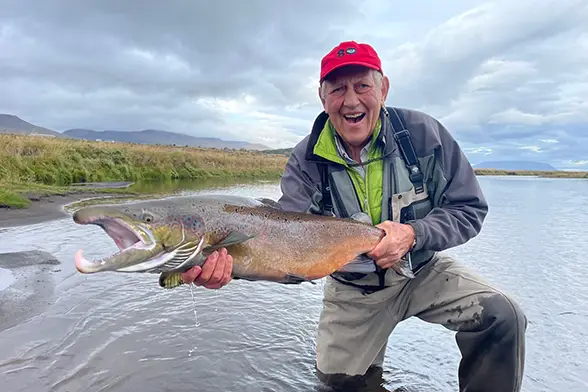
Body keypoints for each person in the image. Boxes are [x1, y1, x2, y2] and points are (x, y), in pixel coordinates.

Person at [181, 41, 527, 392]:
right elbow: (287, 250)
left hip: (423, 269)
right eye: (338, 89)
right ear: (322, 96)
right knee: (339, 384)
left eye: (362, 85)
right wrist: (231, 266)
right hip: (352, 289)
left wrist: (414, 233)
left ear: (383, 89)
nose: (351, 100)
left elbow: (468, 209)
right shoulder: (305, 161)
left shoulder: (426, 136)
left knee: (502, 317)